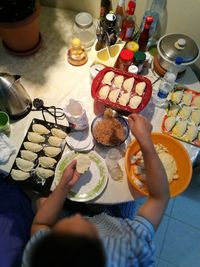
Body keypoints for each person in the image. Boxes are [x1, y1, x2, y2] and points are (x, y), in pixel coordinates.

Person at [22, 113, 169, 267]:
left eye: (62, 231)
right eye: (81, 230)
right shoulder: (131, 249)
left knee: (41, 201)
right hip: (112, 220)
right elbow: (160, 197)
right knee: (125, 198)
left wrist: (64, 185)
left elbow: (39, 223)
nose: (78, 217)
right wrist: (145, 139)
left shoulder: (39, 257)